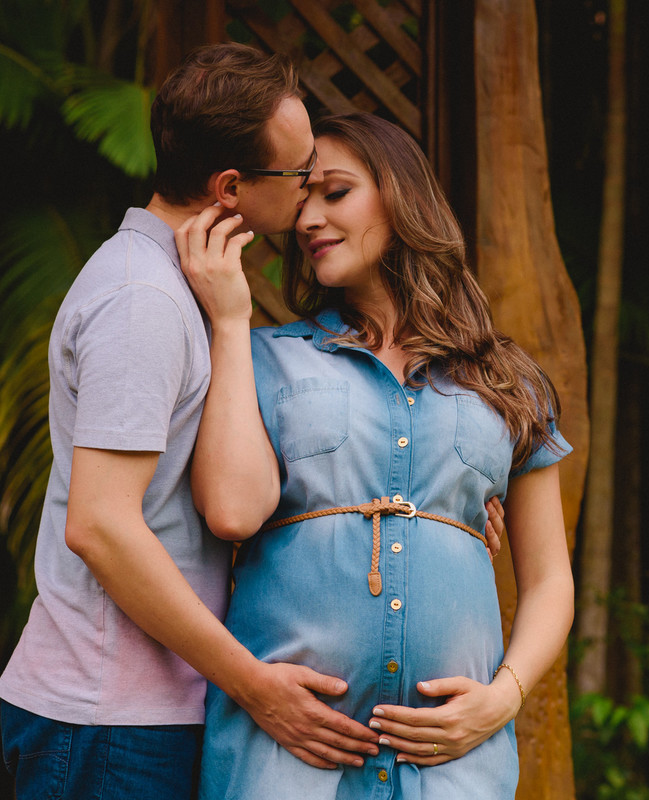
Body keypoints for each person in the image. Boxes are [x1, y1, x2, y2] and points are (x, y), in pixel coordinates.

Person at [0, 44, 386, 798]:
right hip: (107, 720)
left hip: (142, 716)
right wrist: (255, 684)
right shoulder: (142, 301)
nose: (309, 190)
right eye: (300, 172)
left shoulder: (184, 290)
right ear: (231, 187)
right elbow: (101, 526)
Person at [176, 112, 575, 798]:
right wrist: (229, 318)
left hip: (453, 772)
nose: (307, 222)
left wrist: (502, 698)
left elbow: (550, 582)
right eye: (302, 204)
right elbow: (231, 510)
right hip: (284, 763)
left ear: (401, 196)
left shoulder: (507, 381)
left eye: (335, 193)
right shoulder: (261, 360)